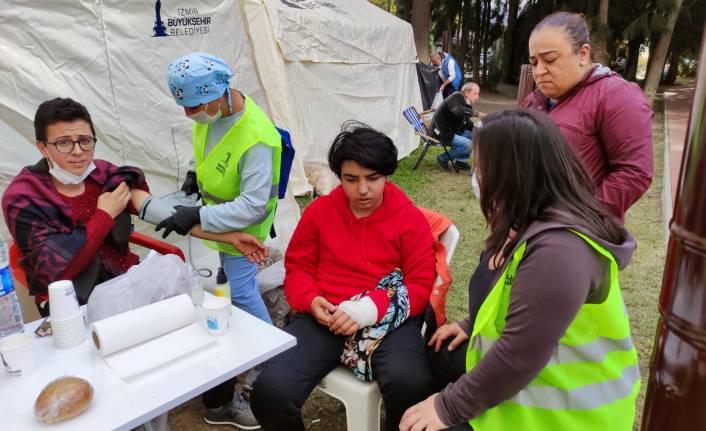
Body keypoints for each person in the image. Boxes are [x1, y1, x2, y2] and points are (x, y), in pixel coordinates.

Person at [400, 109, 640, 431]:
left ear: (515, 173)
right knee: (435, 353)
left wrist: (445, 408)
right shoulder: (525, 220)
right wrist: (472, 323)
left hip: (561, 413)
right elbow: (521, 300)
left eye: (482, 168)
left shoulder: (560, 251)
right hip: (531, 380)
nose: (476, 177)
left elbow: (517, 360)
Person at [0, 98, 264, 318]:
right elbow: (56, 273)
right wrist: (104, 215)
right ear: (42, 147)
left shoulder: (103, 176)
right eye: (64, 143)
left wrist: (228, 237)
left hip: (127, 283)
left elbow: (166, 216)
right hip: (75, 305)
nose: (78, 151)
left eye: (85, 140)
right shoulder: (25, 198)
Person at [250, 124, 437, 431]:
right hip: (326, 316)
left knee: (410, 384)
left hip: (387, 320)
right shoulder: (320, 211)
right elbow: (298, 267)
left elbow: (419, 285)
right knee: (270, 392)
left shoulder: (409, 219)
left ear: (387, 174)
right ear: (339, 176)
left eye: (372, 178)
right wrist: (311, 300)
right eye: (351, 179)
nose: (362, 189)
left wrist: (369, 309)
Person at [162, 52, 282, 429]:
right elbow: (211, 149)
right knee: (233, 287)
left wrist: (198, 216)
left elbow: (252, 206)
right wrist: (196, 176)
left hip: (242, 230)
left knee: (244, 292)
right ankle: (257, 356)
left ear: (219, 92)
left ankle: (270, 362)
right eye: (183, 106)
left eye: (195, 106)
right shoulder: (212, 112)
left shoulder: (258, 137)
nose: (189, 115)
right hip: (219, 225)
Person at [521, 11, 653, 223]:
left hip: (578, 236)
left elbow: (634, 173)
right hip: (529, 228)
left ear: (583, 54)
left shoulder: (617, 97)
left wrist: (575, 214)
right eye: (534, 62)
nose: (539, 71)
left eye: (549, 59)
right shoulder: (533, 100)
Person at [430, 82, 485, 171]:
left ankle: (461, 161)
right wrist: (477, 113)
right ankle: (443, 158)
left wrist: (479, 127)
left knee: (475, 135)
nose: (477, 97)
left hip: (450, 130)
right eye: (475, 94)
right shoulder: (456, 97)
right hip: (441, 132)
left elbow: (466, 123)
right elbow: (457, 110)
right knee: (469, 145)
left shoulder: (466, 103)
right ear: (466, 93)